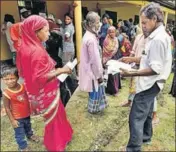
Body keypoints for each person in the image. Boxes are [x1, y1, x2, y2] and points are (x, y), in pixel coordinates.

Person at [10, 15, 73, 151]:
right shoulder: (36, 51)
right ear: (35, 32)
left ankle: (64, 137)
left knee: (57, 115)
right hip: (46, 91)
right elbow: (40, 77)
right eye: (46, 30)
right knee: (53, 120)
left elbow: (23, 71)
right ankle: (56, 145)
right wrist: (61, 70)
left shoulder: (25, 47)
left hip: (36, 91)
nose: (49, 33)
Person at [119, 2, 172, 151]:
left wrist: (132, 73)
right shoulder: (157, 35)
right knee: (147, 110)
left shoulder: (157, 39)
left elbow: (155, 68)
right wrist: (132, 59)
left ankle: (134, 148)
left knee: (135, 117)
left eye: (144, 22)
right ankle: (146, 137)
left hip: (151, 82)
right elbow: (149, 58)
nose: (142, 26)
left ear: (154, 19)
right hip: (155, 82)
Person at [2, 66, 39, 151]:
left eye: (12, 78)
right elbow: (7, 108)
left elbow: (29, 98)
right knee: (19, 133)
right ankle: (23, 147)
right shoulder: (6, 93)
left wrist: (33, 108)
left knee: (28, 126)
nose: (9, 81)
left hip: (26, 114)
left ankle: (30, 135)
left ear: (17, 77)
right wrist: (12, 120)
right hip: (17, 117)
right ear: (2, 80)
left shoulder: (23, 86)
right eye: (6, 79)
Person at [79, 11, 108, 114]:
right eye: (98, 21)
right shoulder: (90, 39)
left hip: (89, 70)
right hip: (92, 71)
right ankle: (94, 110)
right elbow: (95, 61)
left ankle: (95, 108)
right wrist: (99, 76)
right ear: (91, 24)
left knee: (93, 90)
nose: (99, 24)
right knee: (95, 90)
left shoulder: (89, 35)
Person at [102, 26, 119, 96]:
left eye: (113, 32)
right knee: (111, 74)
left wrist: (113, 52)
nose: (112, 34)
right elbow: (106, 50)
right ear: (108, 33)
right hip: (108, 59)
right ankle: (112, 91)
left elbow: (116, 48)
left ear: (115, 32)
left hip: (115, 57)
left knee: (116, 73)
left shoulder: (116, 39)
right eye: (110, 32)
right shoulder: (106, 40)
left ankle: (116, 88)